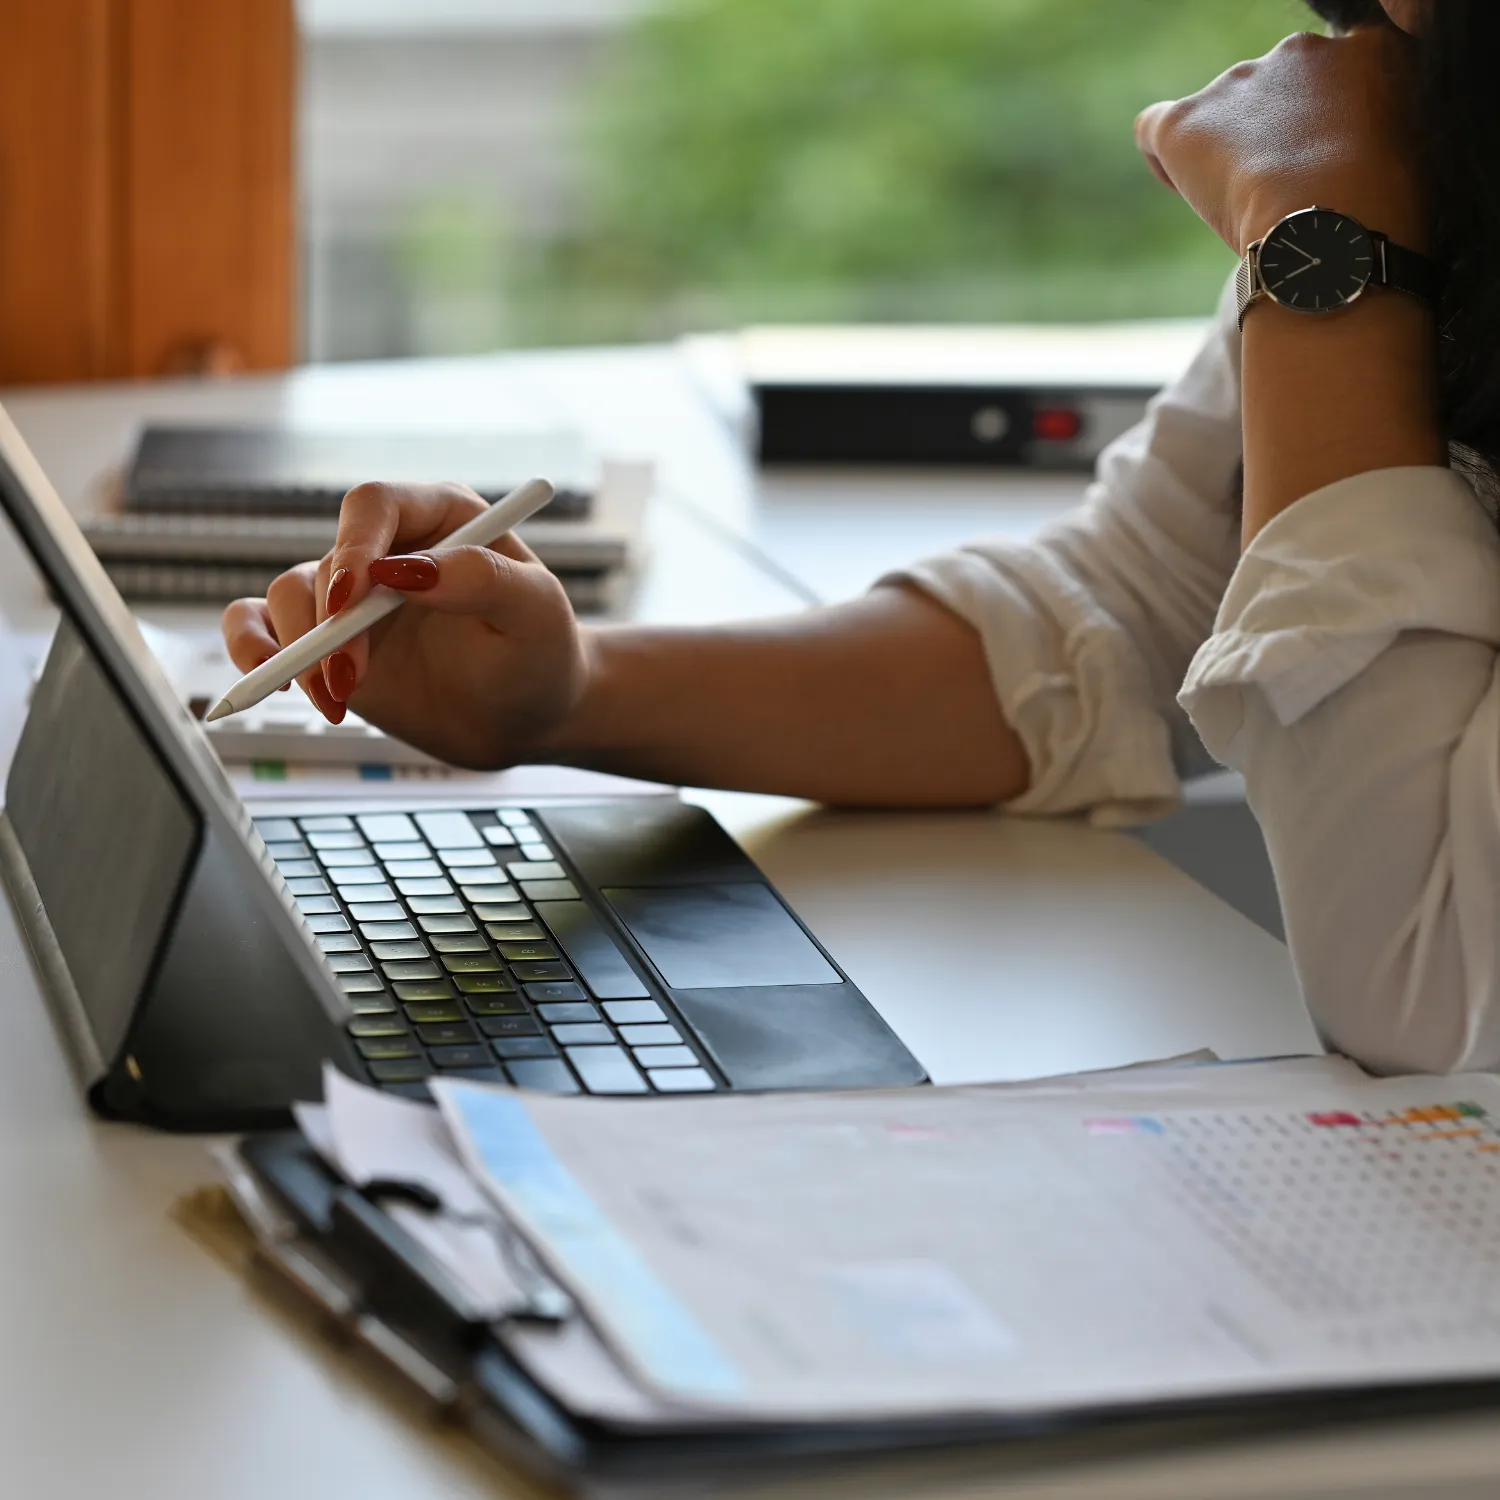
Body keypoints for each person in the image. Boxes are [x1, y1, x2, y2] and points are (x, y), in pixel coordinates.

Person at [225, 0, 1500, 1076]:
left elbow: (1421, 990)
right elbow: (1121, 613)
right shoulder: (1419, 139)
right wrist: (567, 694)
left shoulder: (1347, 220)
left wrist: (1328, 267)